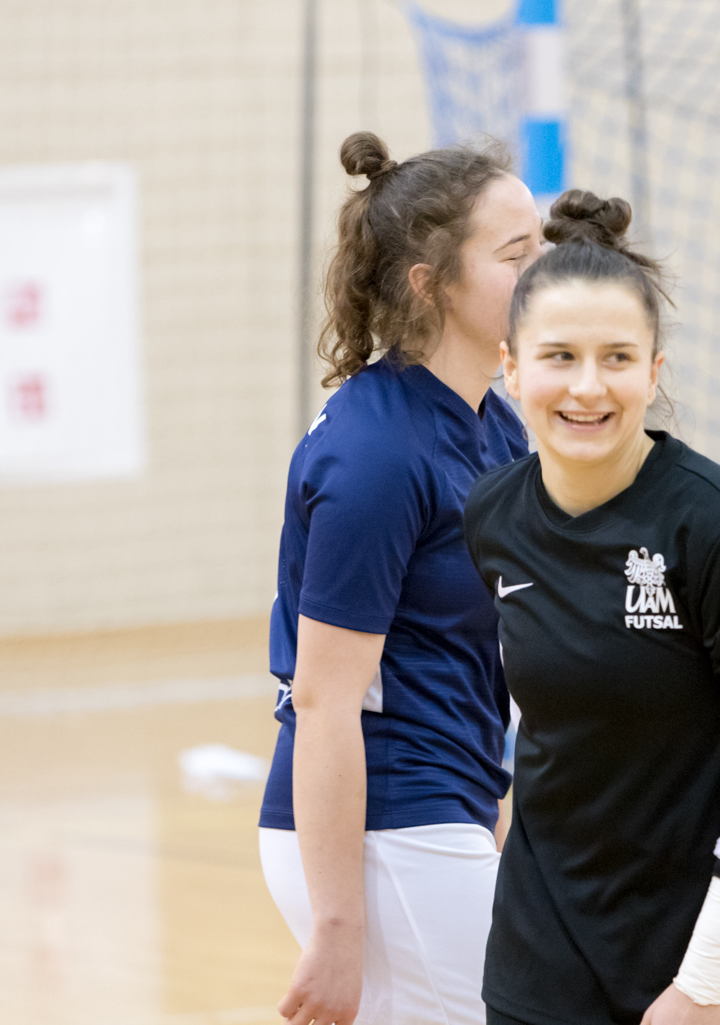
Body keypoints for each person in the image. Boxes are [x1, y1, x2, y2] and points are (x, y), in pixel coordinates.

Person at [462, 190, 720, 1025]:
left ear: (654, 370)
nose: (586, 386)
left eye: (616, 357)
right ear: (510, 366)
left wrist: (707, 982)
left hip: (719, 959)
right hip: (547, 952)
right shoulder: (493, 515)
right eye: (558, 356)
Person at [257, 131, 542, 1025]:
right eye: (516, 254)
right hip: (379, 829)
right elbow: (325, 699)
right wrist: (339, 924)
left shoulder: (493, 426)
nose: (547, 271)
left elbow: (474, 660)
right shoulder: (377, 453)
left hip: (439, 812)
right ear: (431, 283)